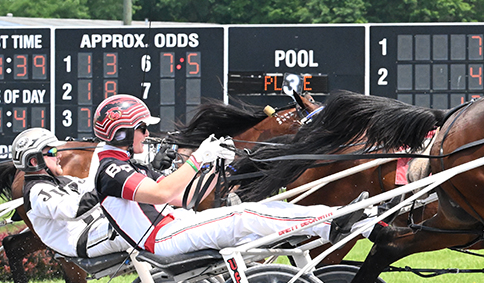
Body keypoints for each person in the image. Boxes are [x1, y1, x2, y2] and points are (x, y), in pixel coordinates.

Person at [91, 94, 359, 257]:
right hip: (162, 238)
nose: (147, 134)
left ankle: (347, 220)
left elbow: (184, 198)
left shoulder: (130, 165)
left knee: (262, 215)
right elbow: (161, 194)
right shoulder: (112, 170)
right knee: (245, 216)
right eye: (141, 128)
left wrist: (217, 163)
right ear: (121, 132)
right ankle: (330, 223)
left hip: (177, 225)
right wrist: (198, 158)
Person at [11, 127, 132, 259]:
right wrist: (107, 186)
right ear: (34, 161)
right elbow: (74, 209)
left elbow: (91, 185)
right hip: (84, 239)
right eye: (52, 152)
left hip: (98, 228)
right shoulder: (37, 192)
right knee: (142, 228)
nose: (59, 156)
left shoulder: (61, 181)